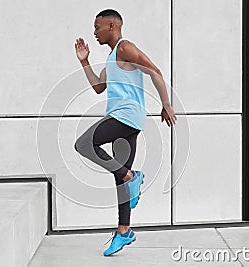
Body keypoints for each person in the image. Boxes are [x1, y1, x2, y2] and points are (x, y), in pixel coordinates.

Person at [74, 9, 176, 256]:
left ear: (111, 25)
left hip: (126, 116)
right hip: (125, 118)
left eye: (97, 27)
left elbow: (154, 71)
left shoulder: (125, 47)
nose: (94, 32)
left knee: (83, 144)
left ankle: (133, 176)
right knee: (119, 177)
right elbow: (99, 87)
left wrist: (166, 104)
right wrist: (84, 61)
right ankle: (124, 231)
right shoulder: (112, 57)